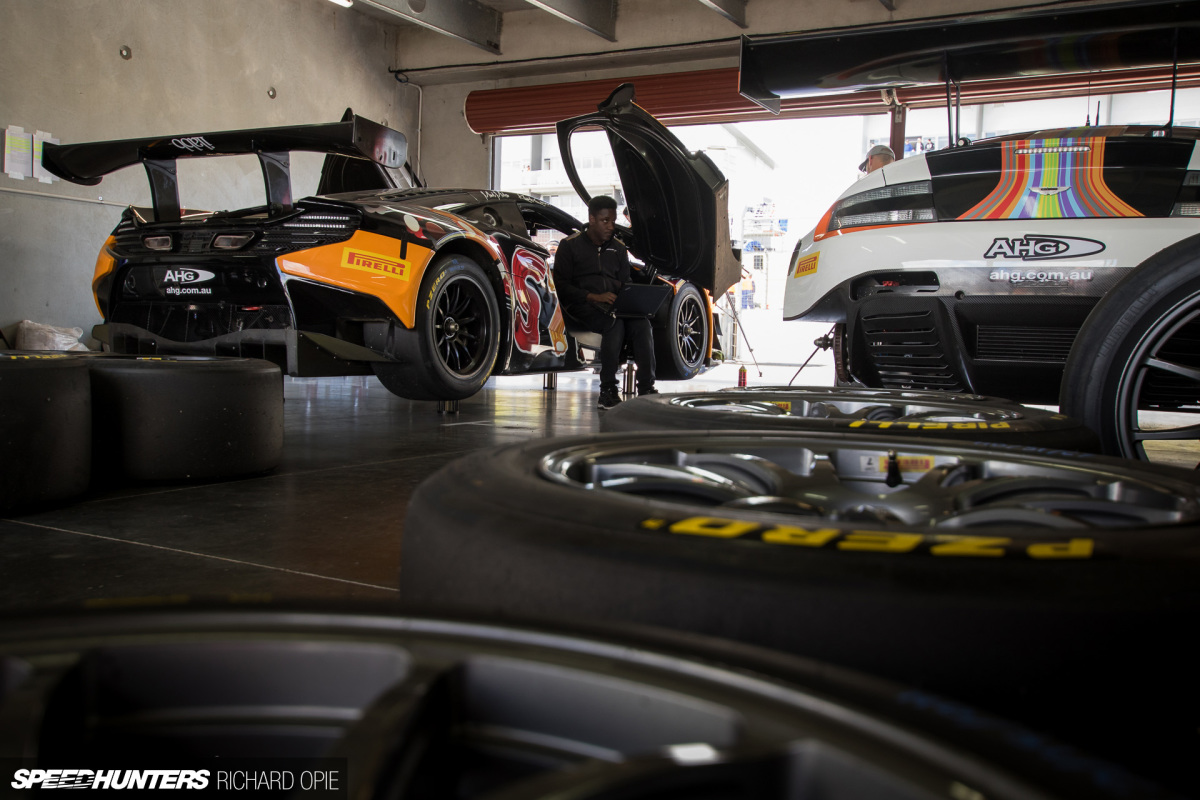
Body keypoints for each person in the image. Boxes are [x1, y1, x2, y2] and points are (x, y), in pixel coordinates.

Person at [553, 195, 655, 409]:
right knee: (613, 323)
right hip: (581, 306)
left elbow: (625, 281)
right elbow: (561, 286)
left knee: (642, 324)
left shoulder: (618, 248)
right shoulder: (569, 246)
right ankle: (607, 391)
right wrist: (591, 296)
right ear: (592, 219)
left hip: (612, 305)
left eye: (613, 220)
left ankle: (646, 389)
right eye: (605, 221)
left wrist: (628, 296)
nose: (610, 226)